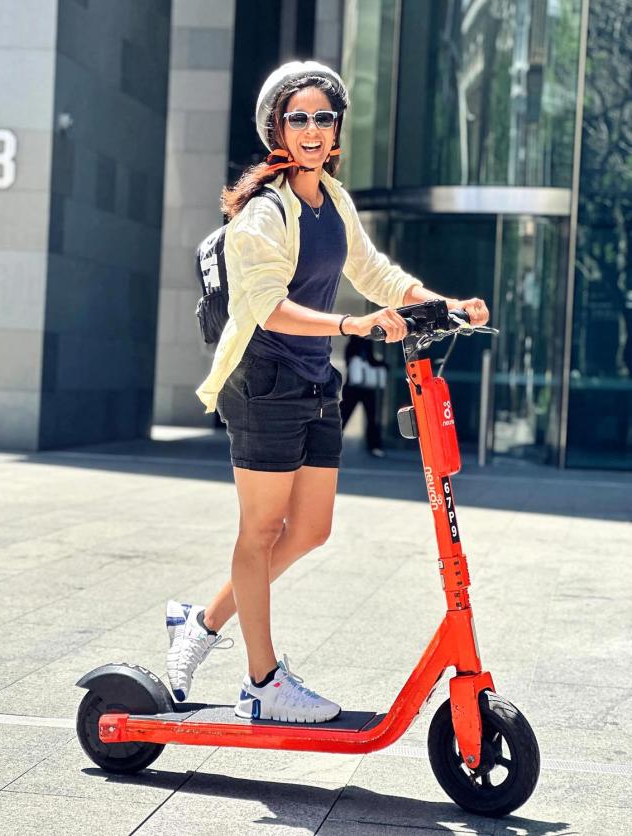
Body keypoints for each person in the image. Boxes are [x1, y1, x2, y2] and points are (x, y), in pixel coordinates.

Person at [165, 61, 490, 723]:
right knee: (261, 530)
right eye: (298, 118)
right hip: (262, 380)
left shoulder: (334, 201)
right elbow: (266, 307)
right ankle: (261, 682)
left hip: (314, 377)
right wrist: (351, 324)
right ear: (277, 129)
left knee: (311, 529)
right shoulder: (263, 212)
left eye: (322, 117)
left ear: (336, 128)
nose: (312, 129)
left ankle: (200, 622)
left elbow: (376, 273)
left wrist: (446, 304)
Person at [340, 334, 388, 457]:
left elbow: (371, 361)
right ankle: (334, 440)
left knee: (369, 417)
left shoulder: (364, 344)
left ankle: (374, 446)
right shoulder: (353, 346)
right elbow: (360, 363)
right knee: (345, 415)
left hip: (362, 387)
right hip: (355, 388)